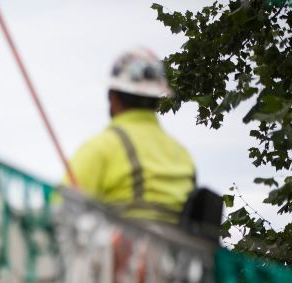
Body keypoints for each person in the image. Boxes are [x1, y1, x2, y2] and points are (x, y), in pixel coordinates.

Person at [64, 48, 195, 225]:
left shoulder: (101, 147)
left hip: (125, 251)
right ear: (157, 99)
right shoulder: (183, 155)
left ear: (113, 97)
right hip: (179, 252)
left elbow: (60, 211)